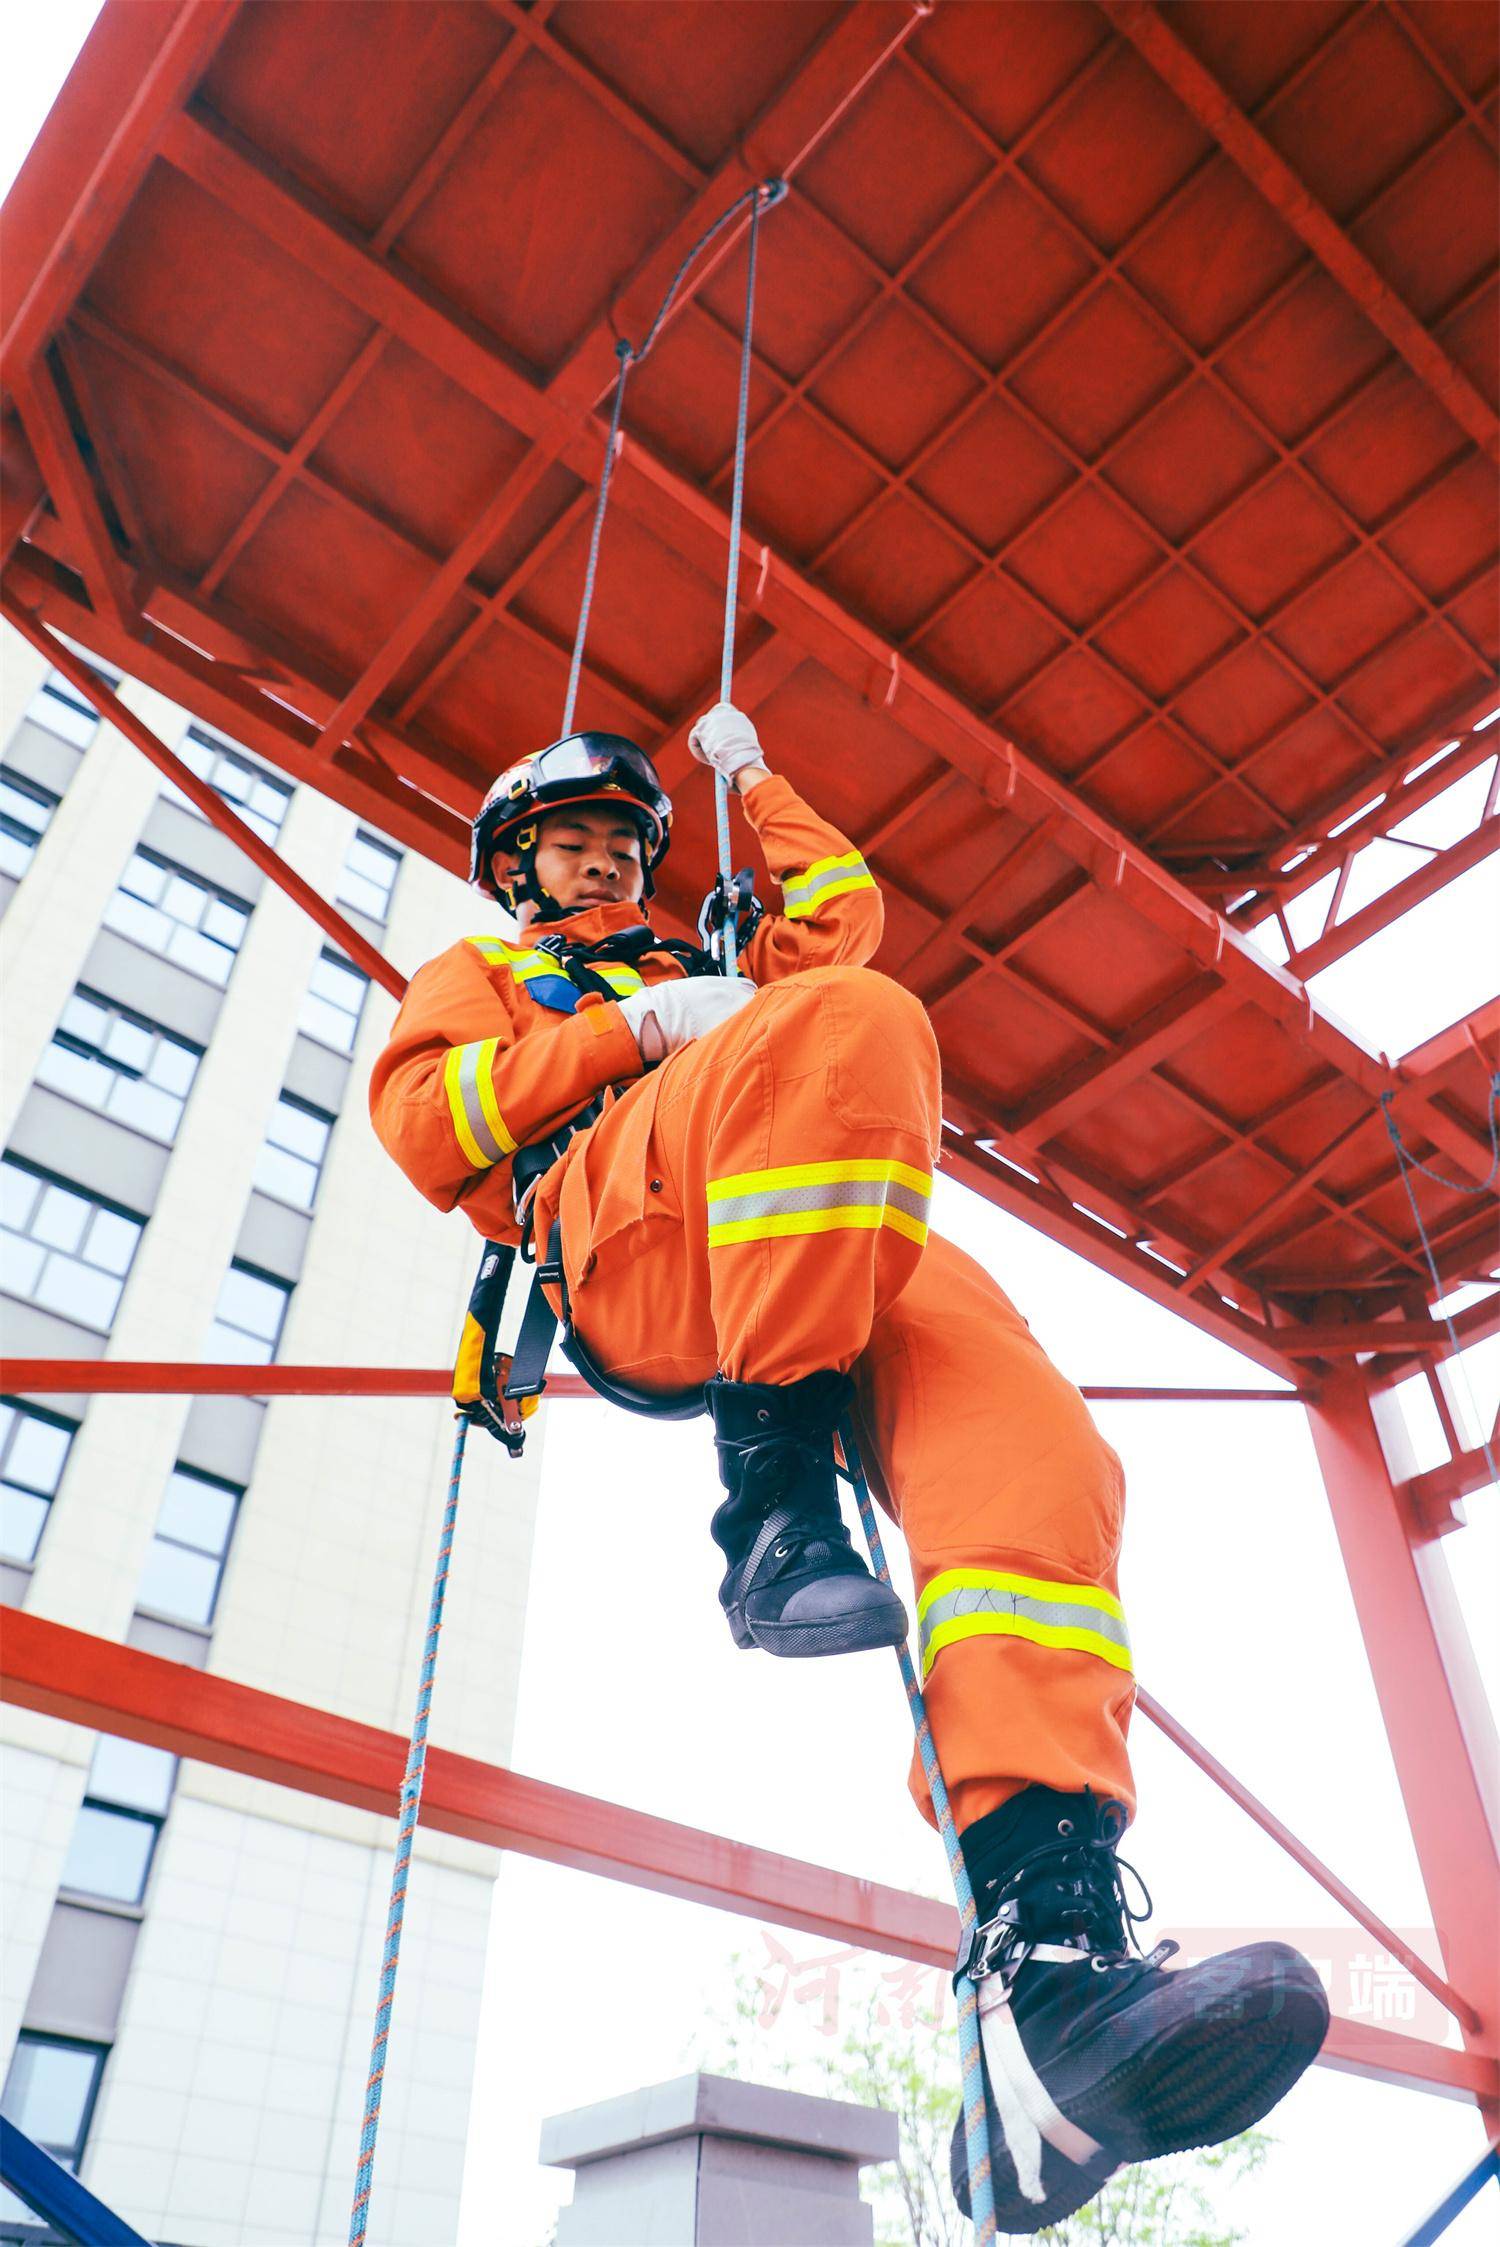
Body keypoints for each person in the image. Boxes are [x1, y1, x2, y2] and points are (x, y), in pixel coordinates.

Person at [370, 703, 1328, 2231]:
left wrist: (758, 780)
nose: (608, 853)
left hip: (785, 1246)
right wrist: (634, 1031)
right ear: (517, 865)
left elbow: (845, 926)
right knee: (859, 1024)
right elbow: (429, 1126)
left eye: (627, 835)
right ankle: (772, 1498)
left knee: (1032, 1449)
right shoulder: (488, 978)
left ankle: (1046, 1977)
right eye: (575, 837)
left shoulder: (725, 962)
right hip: (624, 1237)